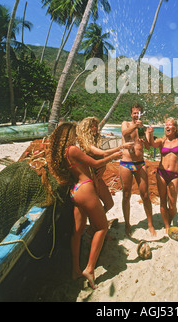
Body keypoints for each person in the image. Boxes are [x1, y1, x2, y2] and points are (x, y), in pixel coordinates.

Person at [46, 122, 122, 289]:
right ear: (69, 135)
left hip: (76, 191)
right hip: (86, 188)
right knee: (102, 228)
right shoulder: (73, 149)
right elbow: (95, 164)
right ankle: (89, 268)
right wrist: (114, 157)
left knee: (77, 232)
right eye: (74, 133)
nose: (76, 136)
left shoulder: (62, 153)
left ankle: (75, 270)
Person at [146, 116, 178, 234]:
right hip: (161, 173)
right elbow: (152, 144)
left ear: (175, 128)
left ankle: (169, 220)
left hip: (174, 175)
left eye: (169, 125)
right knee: (163, 201)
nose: (167, 127)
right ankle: (167, 226)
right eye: (166, 125)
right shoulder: (162, 141)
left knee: (172, 205)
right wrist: (149, 133)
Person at [76, 116, 134, 213]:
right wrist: (121, 147)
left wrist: (104, 166)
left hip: (97, 176)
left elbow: (100, 157)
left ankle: (98, 222)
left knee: (109, 204)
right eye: (93, 126)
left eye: (96, 126)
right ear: (87, 129)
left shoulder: (93, 141)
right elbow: (102, 153)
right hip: (89, 178)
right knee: (94, 207)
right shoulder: (83, 143)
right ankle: (97, 223)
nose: (96, 128)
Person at [120, 103, 156, 237]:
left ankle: (150, 224)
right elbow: (124, 133)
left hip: (140, 164)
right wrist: (135, 125)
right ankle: (127, 224)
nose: (136, 115)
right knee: (126, 194)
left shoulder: (144, 128)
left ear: (142, 114)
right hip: (126, 163)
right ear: (131, 114)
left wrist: (149, 136)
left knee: (145, 195)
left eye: (139, 112)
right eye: (134, 113)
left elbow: (146, 147)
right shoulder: (125, 124)